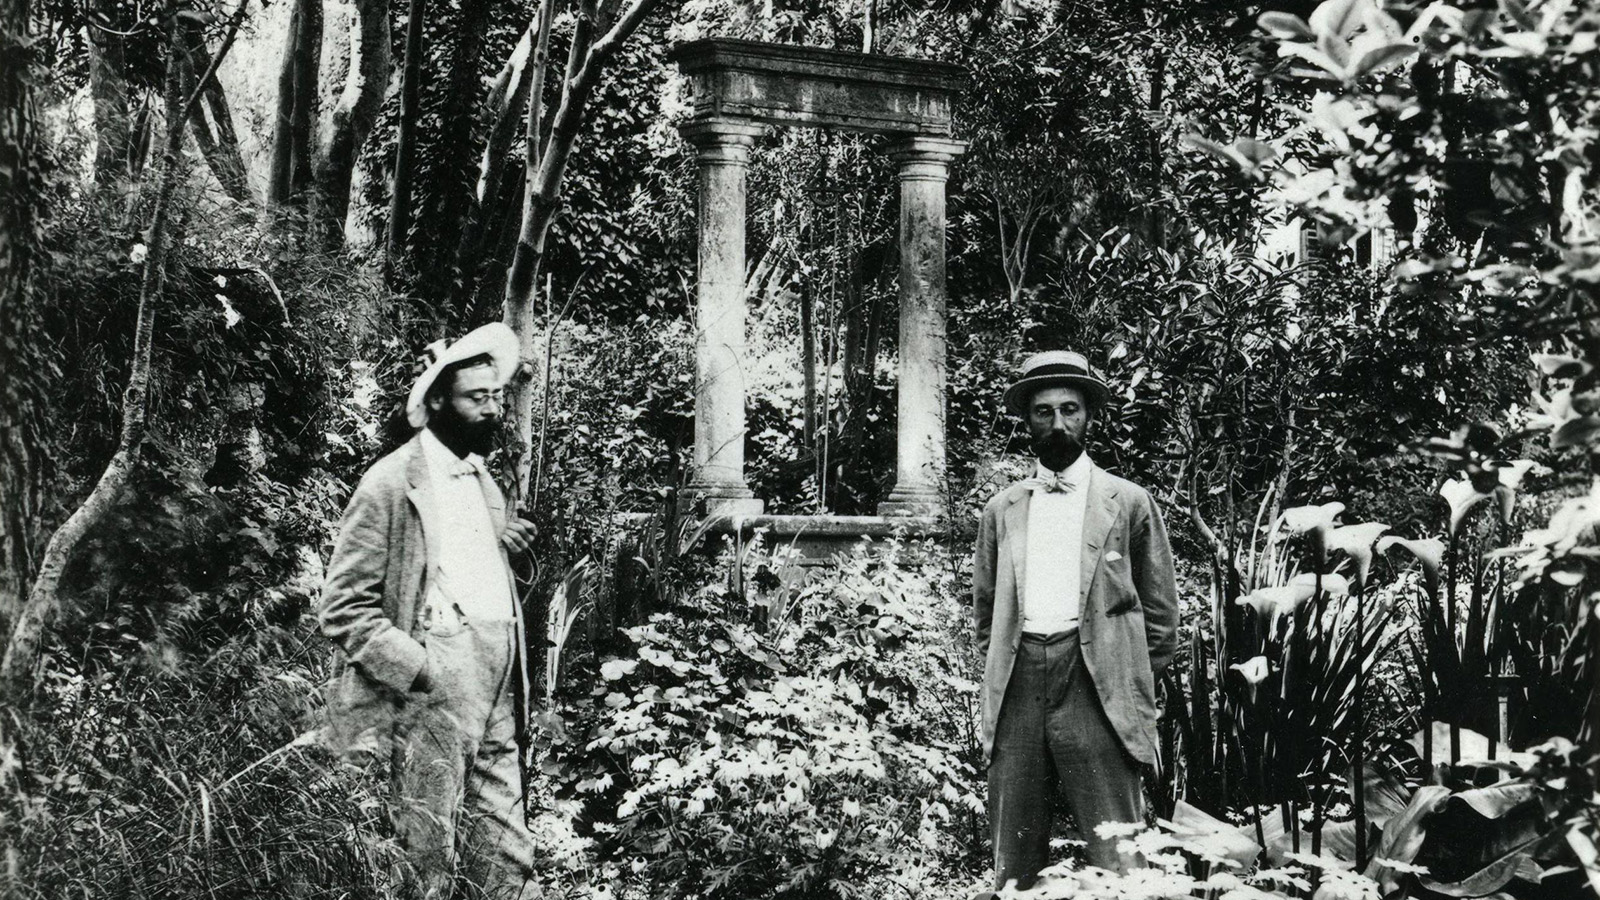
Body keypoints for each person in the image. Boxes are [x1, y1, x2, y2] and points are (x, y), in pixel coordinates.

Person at [318, 322, 540, 899]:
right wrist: (419, 669)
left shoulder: (485, 481)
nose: (492, 410)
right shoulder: (389, 484)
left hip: (496, 688)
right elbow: (343, 608)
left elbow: (462, 572)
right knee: (426, 853)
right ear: (437, 400)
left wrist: (507, 550)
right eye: (476, 398)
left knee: (507, 852)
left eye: (496, 396)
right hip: (433, 685)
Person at [972, 349, 1179, 888]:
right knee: (1014, 851)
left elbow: (1160, 615)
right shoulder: (1002, 509)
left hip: (1096, 680)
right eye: (1044, 411)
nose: (1058, 422)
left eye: (1070, 408)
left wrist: (1124, 677)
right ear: (1027, 420)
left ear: (1089, 416)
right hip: (1019, 680)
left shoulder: (1129, 502)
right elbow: (987, 608)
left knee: (1117, 847)